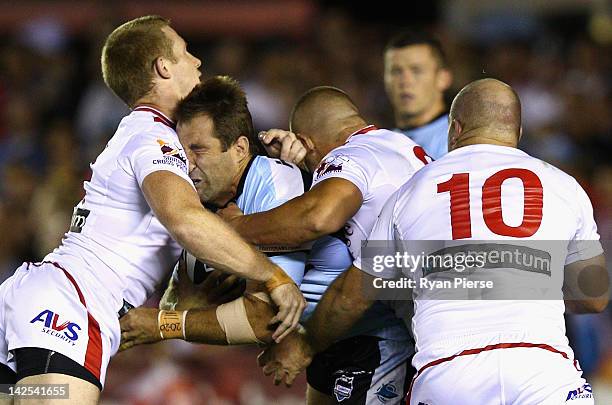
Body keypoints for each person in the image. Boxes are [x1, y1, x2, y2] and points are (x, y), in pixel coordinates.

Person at [0, 16, 305, 404]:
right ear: (163, 66)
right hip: (69, 308)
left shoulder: (143, 134)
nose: (197, 62)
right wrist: (272, 275)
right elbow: (182, 218)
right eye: (185, 51)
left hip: (36, 301)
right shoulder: (154, 135)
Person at [258, 79, 609, 404]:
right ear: (516, 131)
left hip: (449, 372)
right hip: (541, 370)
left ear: (454, 130)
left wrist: (303, 345)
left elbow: (352, 297)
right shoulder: (565, 186)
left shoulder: (412, 191)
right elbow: (593, 298)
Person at [218, 86, 430, 404]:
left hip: (418, 331)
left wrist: (235, 227)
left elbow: (317, 217)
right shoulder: (402, 146)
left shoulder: (351, 156)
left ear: (307, 143)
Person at [119, 75, 310, 349]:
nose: (185, 163)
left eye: (198, 150)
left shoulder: (276, 183)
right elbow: (175, 303)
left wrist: (165, 324)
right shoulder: (196, 201)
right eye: (180, 151)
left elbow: (265, 320)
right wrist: (186, 314)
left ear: (239, 149)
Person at [384, 30, 452, 159]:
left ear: (443, 78)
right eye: (396, 71)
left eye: (416, 71)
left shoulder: (459, 140)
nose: (405, 81)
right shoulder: (381, 144)